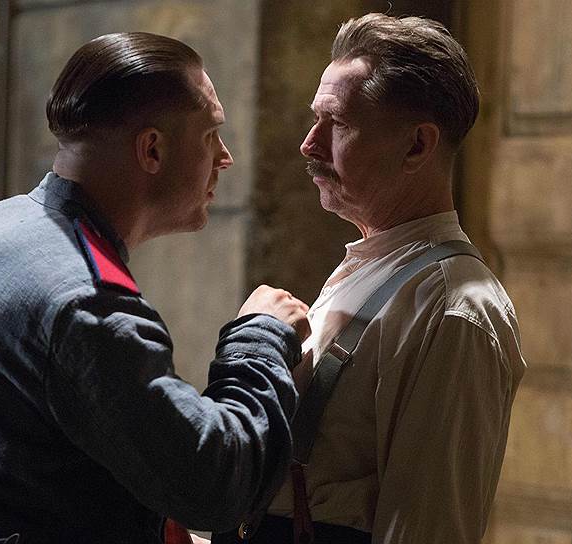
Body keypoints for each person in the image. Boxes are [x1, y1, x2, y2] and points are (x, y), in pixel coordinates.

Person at [0, 32, 310, 544]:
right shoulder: (84, 303)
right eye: (210, 134)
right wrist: (259, 340)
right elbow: (213, 485)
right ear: (152, 149)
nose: (224, 157)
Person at [215, 13, 525, 544]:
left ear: (417, 146)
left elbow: (430, 529)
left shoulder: (455, 309)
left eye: (336, 123)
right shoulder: (376, 265)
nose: (309, 144)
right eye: (315, 119)